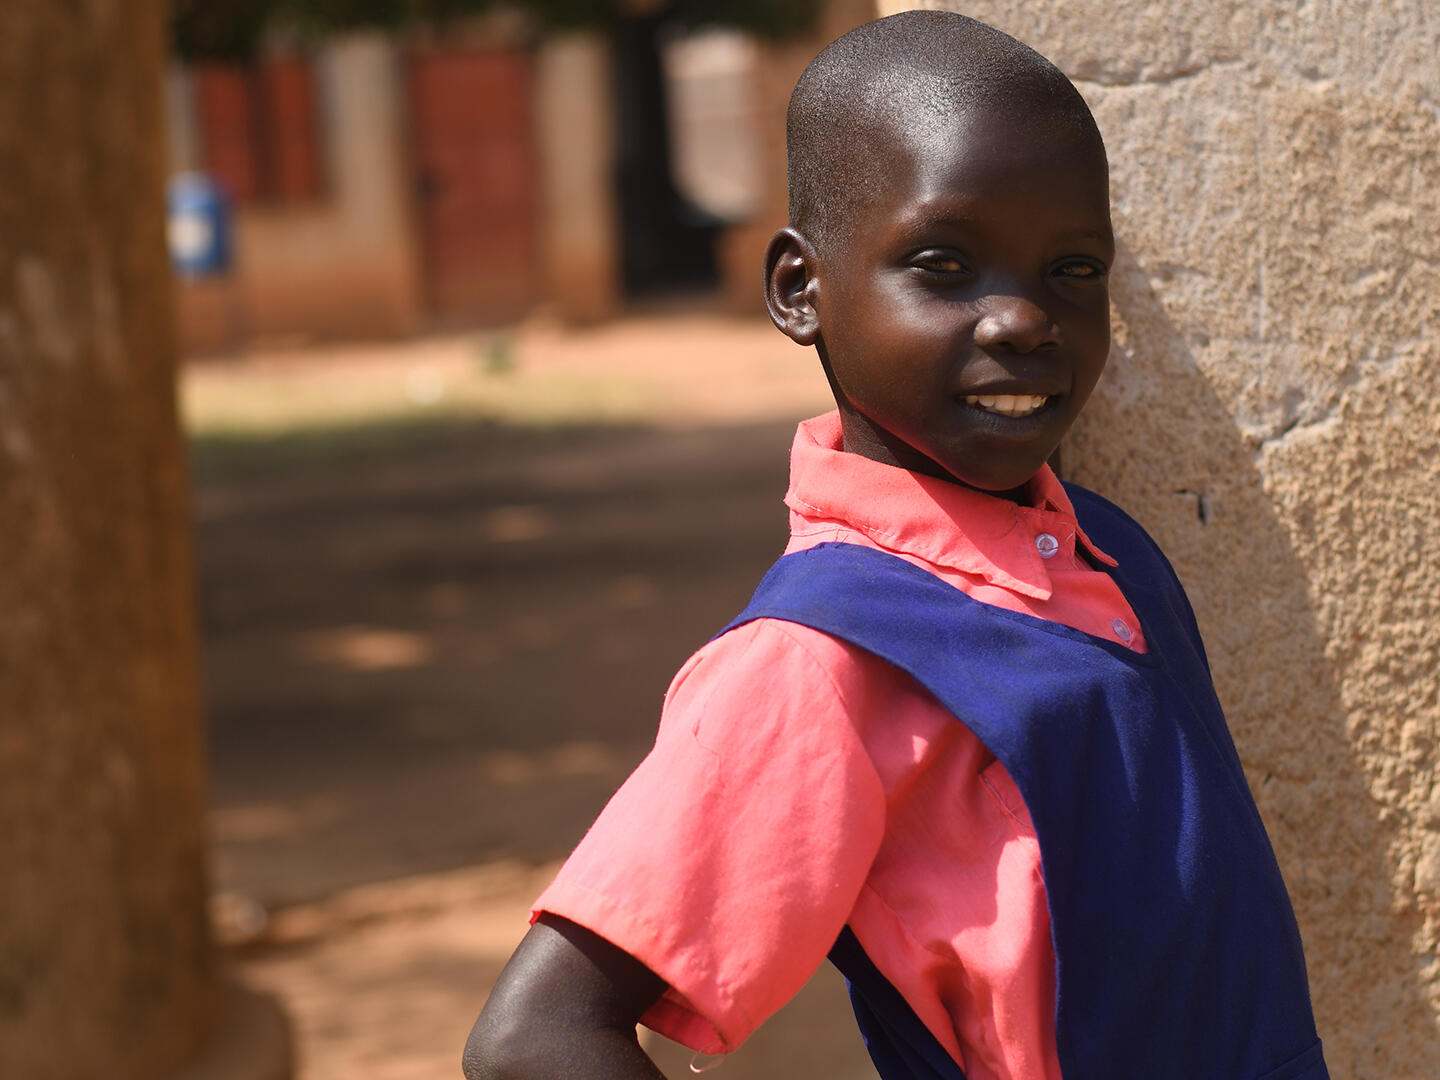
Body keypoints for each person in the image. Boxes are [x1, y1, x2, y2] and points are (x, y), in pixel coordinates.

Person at [463, 11, 1329, 1080]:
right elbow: (536, 1037)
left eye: (1072, 268)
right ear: (800, 290)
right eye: (946, 264)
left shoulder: (1102, 550)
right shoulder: (821, 660)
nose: (1024, 320)